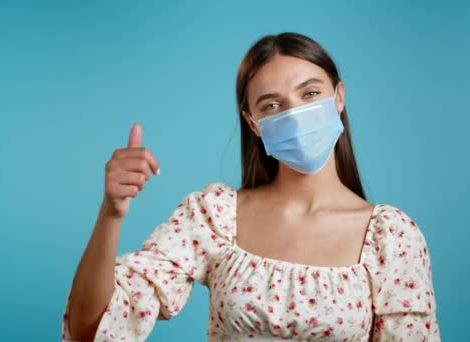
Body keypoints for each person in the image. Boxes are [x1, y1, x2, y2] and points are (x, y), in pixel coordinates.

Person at [62, 32, 440, 342]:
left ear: (338, 97)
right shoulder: (214, 217)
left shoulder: (391, 238)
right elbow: (88, 330)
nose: (294, 115)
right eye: (272, 105)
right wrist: (111, 213)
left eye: (309, 94)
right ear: (254, 123)